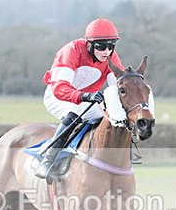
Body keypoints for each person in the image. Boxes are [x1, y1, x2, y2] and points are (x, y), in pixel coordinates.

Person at [35, 17, 125, 179]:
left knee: (105, 118)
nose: (107, 52)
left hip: (87, 102)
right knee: (77, 111)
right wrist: (84, 96)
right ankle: (48, 159)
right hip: (58, 97)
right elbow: (59, 88)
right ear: (89, 43)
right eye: (102, 46)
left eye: (111, 46)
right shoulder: (71, 51)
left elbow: (117, 88)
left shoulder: (111, 57)